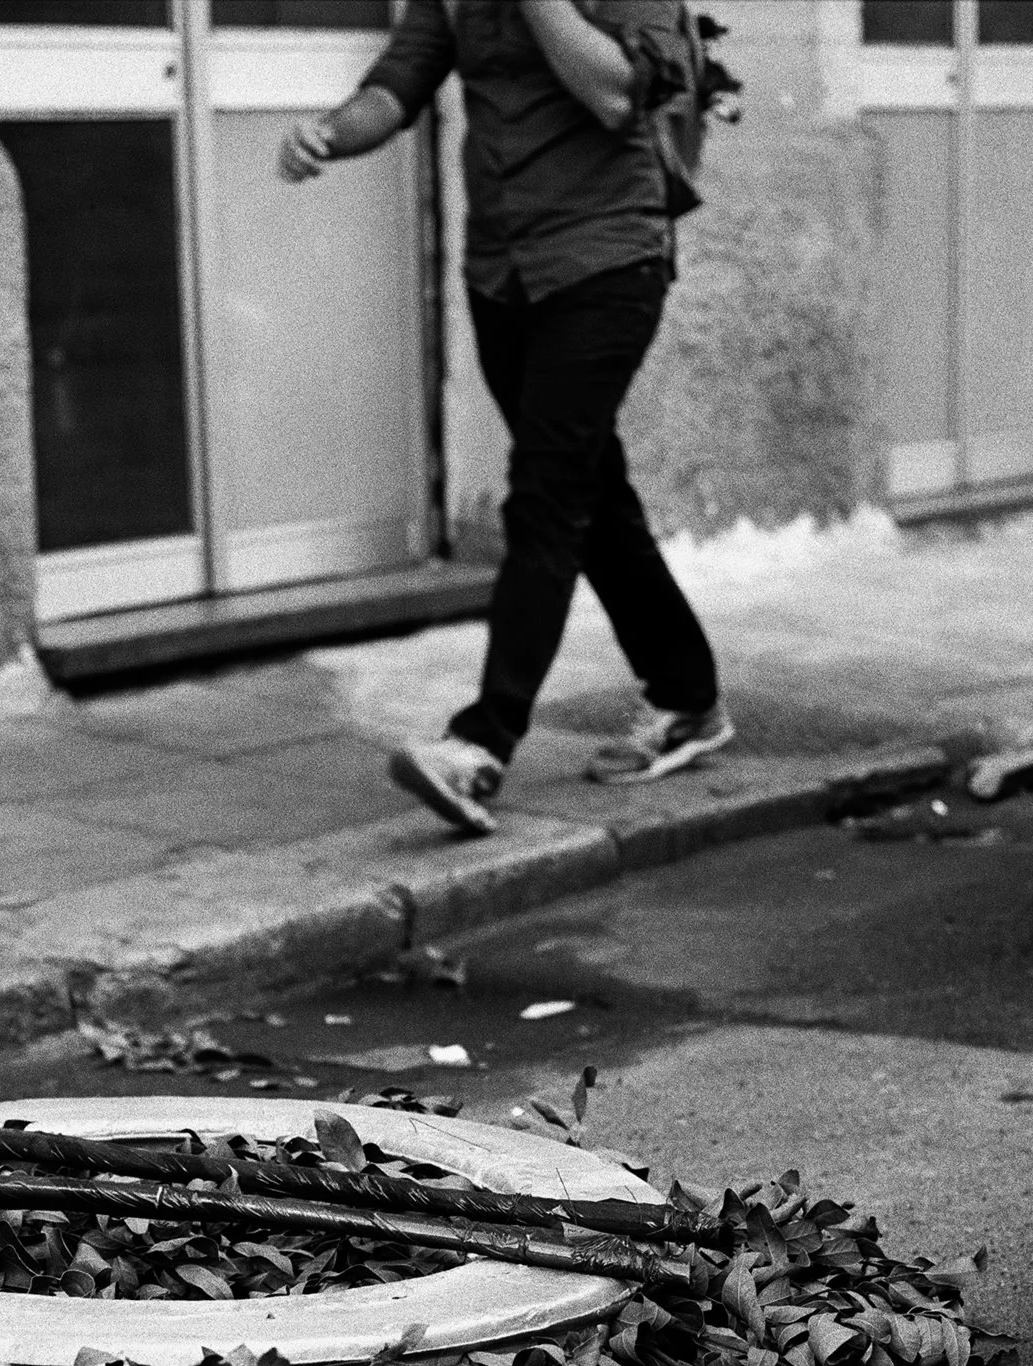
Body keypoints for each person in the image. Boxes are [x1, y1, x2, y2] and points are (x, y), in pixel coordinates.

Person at [279, 0, 731, 839]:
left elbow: (617, 94)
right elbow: (398, 82)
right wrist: (331, 133)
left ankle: (480, 745)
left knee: (547, 496)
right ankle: (689, 698)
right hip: (502, 271)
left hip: (606, 261)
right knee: (592, 491)